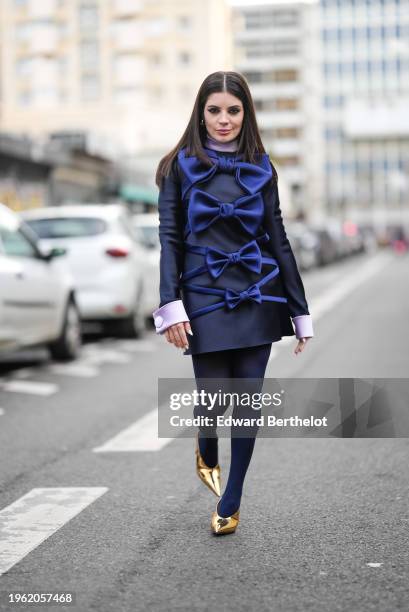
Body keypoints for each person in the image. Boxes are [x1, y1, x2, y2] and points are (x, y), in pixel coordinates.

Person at [152, 71, 314, 536]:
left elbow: (279, 239)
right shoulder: (178, 167)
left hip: (259, 293)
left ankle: (233, 498)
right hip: (203, 295)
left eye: (234, 110)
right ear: (201, 113)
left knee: (245, 401)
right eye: (215, 110)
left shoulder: (264, 166)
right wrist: (171, 305)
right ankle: (206, 442)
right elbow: (169, 240)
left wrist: (299, 311)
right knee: (211, 401)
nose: (224, 120)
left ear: (247, 114)